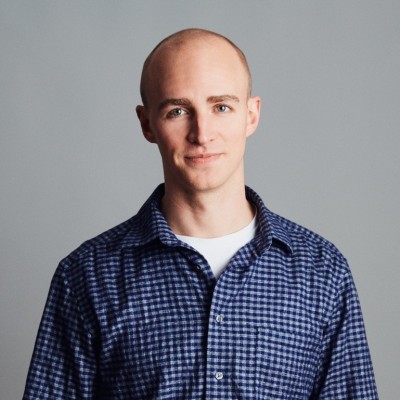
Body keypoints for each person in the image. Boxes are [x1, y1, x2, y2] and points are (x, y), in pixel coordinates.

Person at [23, 28, 378, 399]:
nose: (202, 133)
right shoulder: (87, 276)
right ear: (147, 124)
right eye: (177, 111)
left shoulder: (322, 271)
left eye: (221, 107)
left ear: (251, 115)